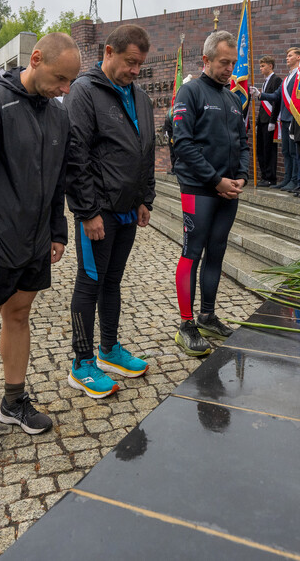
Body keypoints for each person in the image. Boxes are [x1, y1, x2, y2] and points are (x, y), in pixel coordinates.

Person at [0, 32, 80, 461]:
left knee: (20, 315)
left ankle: (13, 401)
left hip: (36, 240)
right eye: (60, 79)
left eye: (70, 82)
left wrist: (57, 231)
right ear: (36, 58)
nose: (65, 89)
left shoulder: (58, 112)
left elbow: (58, 178)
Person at [64, 24, 155, 399]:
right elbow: (76, 156)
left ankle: (109, 350)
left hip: (128, 210)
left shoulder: (140, 96)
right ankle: (82, 363)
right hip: (98, 211)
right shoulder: (84, 91)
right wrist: (87, 212)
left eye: (140, 64)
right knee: (90, 283)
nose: (135, 70)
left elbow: (146, 150)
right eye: (130, 62)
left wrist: (145, 198)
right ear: (109, 52)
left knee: (113, 281)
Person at [171, 31, 249, 357]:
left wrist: (241, 176)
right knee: (192, 252)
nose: (229, 69)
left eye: (233, 63)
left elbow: (243, 144)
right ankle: (186, 325)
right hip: (199, 189)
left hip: (228, 191)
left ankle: (207, 316)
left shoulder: (233, 99)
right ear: (206, 59)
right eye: (223, 62)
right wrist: (216, 180)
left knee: (216, 253)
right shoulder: (190, 92)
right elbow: (183, 143)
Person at [261, 48, 300, 193]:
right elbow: (276, 96)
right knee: (286, 151)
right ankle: (287, 178)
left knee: (294, 152)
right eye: (287, 55)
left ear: (298, 57)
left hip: (294, 119)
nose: (287, 58)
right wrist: (260, 95)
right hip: (284, 118)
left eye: (290, 55)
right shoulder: (286, 78)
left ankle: (295, 180)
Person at [253, 56, 281, 187]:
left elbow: (276, 102)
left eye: (263, 66)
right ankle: (264, 176)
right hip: (262, 120)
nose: (261, 68)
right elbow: (262, 105)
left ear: (270, 66)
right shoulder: (265, 82)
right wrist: (257, 122)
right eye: (260, 66)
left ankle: (270, 177)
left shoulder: (276, 80)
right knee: (261, 149)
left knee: (269, 150)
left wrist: (272, 121)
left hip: (269, 120)